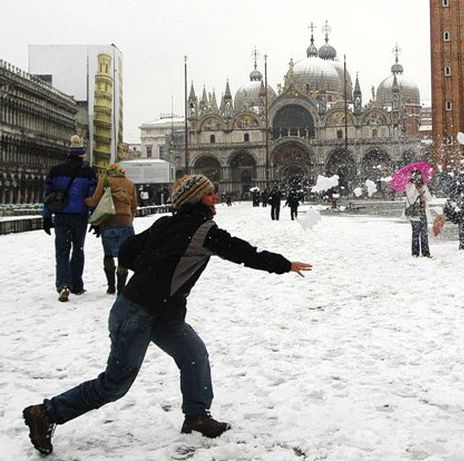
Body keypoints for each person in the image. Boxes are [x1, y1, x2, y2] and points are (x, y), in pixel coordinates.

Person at [22, 174, 313, 455]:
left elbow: (127, 250)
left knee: (193, 354)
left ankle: (197, 416)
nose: (215, 197)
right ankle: (47, 413)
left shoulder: (165, 224)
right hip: (136, 312)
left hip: (160, 312)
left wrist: (151, 271)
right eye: (210, 193)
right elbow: (244, 253)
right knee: (115, 383)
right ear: (198, 199)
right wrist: (284, 265)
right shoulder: (204, 232)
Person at [42, 135, 97, 302]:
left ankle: (63, 284)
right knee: (78, 249)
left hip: (61, 216)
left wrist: (46, 218)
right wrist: (95, 219)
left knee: (62, 250)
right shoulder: (88, 172)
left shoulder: (55, 171)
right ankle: (77, 285)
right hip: (80, 217)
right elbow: (92, 197)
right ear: (82, 155)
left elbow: (48, 196)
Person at [84, 163, 138, 295]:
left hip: (109, 222)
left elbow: (94, 200)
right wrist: (129, 219)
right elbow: (134, 206)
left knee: (108, 255)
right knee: (123, 255)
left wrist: (85, 200)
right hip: (126, 223)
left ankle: (111, 286)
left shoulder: (106, 180)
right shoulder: (130, 184)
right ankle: (121, 287)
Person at [405, 169, 441, 257]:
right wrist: (415, 187)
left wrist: (423, 191)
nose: (418, 178)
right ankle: (415, 253)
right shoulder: (409, 186)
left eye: (419, 176)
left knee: (424, 233)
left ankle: (425, 252)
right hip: (414, 212)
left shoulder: (423, 185)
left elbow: (429, 198)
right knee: (415, 233)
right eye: (416, 176)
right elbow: (410, 197)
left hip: (423, 211)